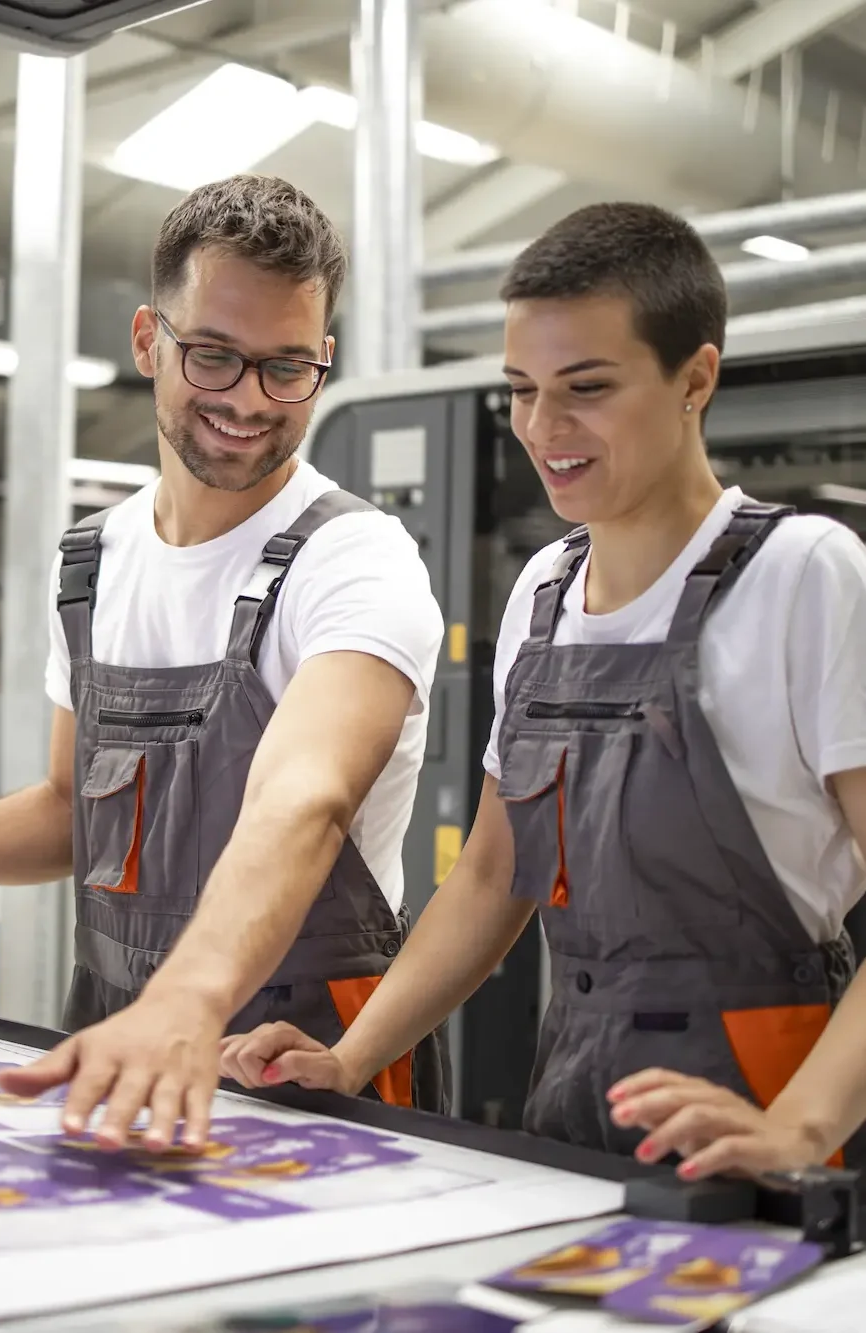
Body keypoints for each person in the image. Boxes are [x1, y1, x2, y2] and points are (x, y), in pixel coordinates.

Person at [0, 174, 449, 1152]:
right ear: (148, 340)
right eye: (213, 356)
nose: (245, 400)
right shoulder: (91, 568)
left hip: (306, 1049)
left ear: (323, 360)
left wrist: (185, 1000)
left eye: (285, 368)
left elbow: (303, 799)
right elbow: (70, 811)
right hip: (116, 1031)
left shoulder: (355, 561)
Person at [219, 201, 866, 1181]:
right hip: (572, 1098)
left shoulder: (804, 574)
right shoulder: (545, 592)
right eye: (521, 390)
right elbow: (490, 875)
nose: (542, 428)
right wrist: (352, 1056)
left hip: (766, 1117)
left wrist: (801, 1127)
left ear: (695, 378)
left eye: (587, 388)